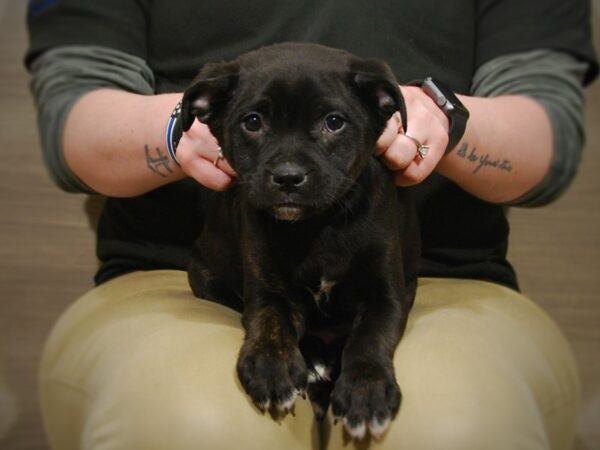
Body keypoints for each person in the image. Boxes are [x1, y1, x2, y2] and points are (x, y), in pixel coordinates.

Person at [25, 0, 597, 449]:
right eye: (252, 122)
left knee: (456, 431)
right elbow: (69, 121)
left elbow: (551, 139)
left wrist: (446, 119)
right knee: (197, 427)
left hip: (447, 280)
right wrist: (176, 129)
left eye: (330, 123)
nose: (291, 165)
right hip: (190, 275)